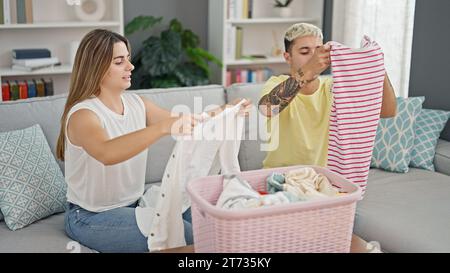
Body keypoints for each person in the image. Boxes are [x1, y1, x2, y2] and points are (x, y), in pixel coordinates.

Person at [55, 29, 251, 253]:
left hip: (136, 204)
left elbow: (187, 124)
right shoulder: (84, 115)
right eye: (120, 62)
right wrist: (160, 128)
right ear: (97, 67)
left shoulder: (138, 104)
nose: (130, 66)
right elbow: (107, 153)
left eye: (128, 59)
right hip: (91, 216)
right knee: (190, 240)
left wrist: (226, 111)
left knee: (206, 228)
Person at [258, 23, 397, 169]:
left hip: (322, 178)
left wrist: (377, 66)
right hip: (279, 176)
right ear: (288, 57)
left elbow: (387, 111)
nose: (313, 58)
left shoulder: (333, 87)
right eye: (305, 52)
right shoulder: (276, 83)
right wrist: (308, 69)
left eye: (318, 51)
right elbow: (266, 109)